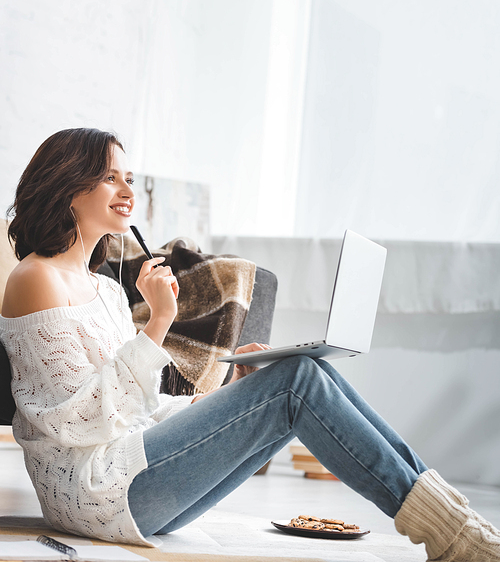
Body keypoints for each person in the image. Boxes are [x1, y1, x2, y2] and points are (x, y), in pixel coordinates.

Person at [0, 128, 498, 562]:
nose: (128, 188)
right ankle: (452, 534)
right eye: (111, 176)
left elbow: (139, 408)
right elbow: (76, 421)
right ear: (68, 184)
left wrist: (228, 399)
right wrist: (159, 324)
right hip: (95, 492)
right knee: (298, 381)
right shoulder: (36, 279)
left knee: (306, 372)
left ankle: (456, 521)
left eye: (129, 176)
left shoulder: (105, 288)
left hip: (130, 477)